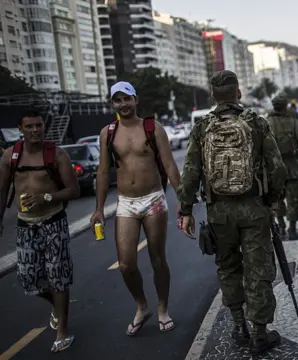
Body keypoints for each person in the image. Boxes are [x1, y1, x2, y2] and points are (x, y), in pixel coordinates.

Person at [179, 70, 288, 354]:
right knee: (258, 270)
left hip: (219, 211)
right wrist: (273, 200)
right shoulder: (255, 123)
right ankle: (260, 333)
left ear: (213, 96)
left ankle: (239, 326)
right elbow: (277, 167)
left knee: (228, 267)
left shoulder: (202, 127)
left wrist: (186, 209)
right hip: (253, 208)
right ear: (238, 92)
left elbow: (190, 172)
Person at [90, 81, 182, 336]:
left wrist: (184, 201)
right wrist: (98, 208)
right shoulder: (107, 133)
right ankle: (142, 306)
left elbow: (170, 166)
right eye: (118, 100)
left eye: (127, 99)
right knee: (126, 264)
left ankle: (163, 308)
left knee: (157, 258)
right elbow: (103, 171)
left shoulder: (153, 128)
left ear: (136, 100)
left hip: (153, 199)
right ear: (112, 104)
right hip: (126, 203)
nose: (123, 105)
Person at [0, 109, 80, 353]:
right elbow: (2, 190)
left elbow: (73, 190)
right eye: (29, 126)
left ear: (43, 127)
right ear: (20, 129)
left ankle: (62, 332)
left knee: (58, 277)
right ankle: (56, 306)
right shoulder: (10, 156)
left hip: (53, 221)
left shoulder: (56, 154)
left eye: (38, 125)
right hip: (25, 225)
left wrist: (46, 197)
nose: (35, 130)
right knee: (29, 279)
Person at [268, 93, 298, 239]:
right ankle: (292, 229)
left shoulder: (266, 123)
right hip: (291, 167)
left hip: (273, 169)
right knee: (293, 199)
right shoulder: (294, 121)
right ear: (285, 106)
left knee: (277, 199)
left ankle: (281, 227)